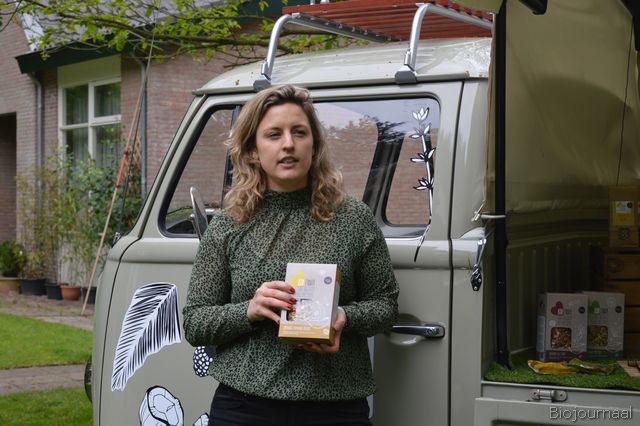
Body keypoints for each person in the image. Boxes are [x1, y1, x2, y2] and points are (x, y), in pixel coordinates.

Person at [183, 84, 399, 426]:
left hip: (335, 406)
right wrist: (249, 310)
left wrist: (343, 317)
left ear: (314, 144)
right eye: (274, 134)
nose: (288, 144)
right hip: (245, 409)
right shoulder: (228, 225)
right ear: (253, 150)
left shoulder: (353, 218)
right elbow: (195, 323)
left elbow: (385, 305)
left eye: (299, 132)